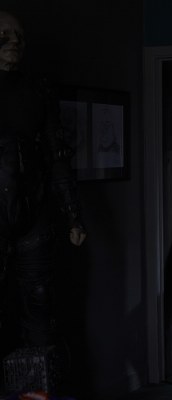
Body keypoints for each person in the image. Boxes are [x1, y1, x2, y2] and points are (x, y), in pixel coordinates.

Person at [0, 10, 86, 358]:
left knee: (40, 305)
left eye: (19, 35)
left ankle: (36, 384)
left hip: (34, 212)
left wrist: (73, 215)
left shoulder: (38, 89)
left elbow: (57, 154)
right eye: (5, 34)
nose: (14, 42)